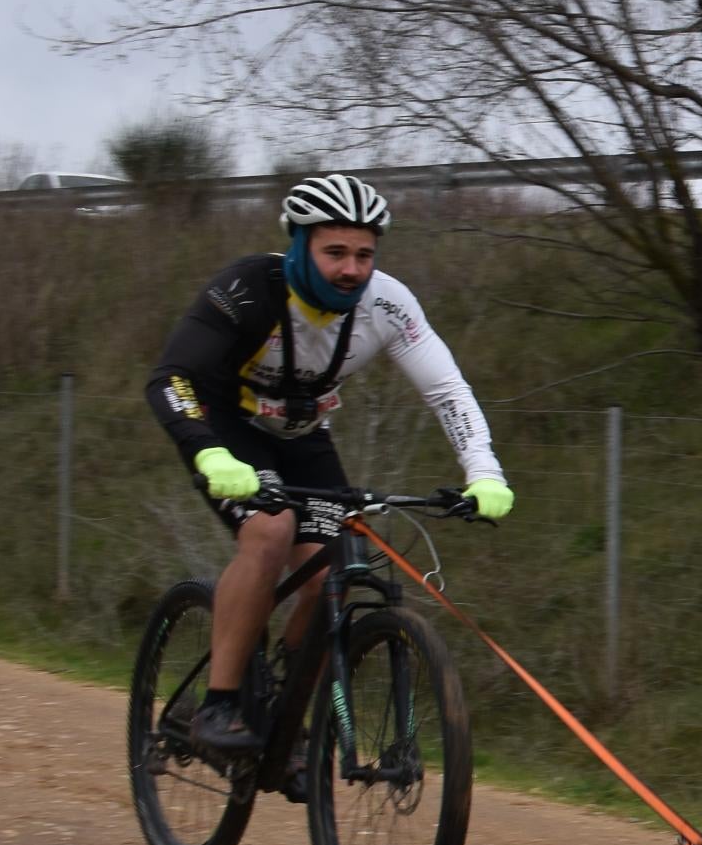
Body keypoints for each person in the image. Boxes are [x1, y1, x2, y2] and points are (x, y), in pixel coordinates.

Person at [142, 172, 514, 756]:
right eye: (334, 251)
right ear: (298, 245)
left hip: (303, 434)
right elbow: (172, 377)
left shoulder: (387, 304)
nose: (351, 269)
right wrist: (207, 452)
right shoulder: (245, 290)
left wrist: (483, 470)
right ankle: (219, 704)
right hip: (224, 428)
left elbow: (447, 390)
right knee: (268, 533)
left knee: (328, 575)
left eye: (364, 254)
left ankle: (282, 709)